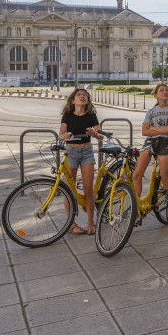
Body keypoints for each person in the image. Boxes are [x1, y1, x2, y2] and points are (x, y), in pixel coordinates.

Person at [131, 84, 168, 226]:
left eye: (167, 90)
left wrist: (154, 128)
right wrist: (162, 130)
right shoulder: (151, 111)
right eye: (161, 90)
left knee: (165, 179)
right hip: (150, 142)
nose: (165, 92)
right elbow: (144, 132)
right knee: (136, 175)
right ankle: (136, 210)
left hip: (166, 143)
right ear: (156, 96)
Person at [58, 89, 103, 235]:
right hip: (71, 152)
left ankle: (91, 222)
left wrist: (94, 134)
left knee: (88, 188)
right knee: (68, 188)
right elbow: (60, 134)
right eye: (79, 95)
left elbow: (100, 136)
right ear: (73, 100)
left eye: (85, 95)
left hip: (86, 152)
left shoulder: (91, 115)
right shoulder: (67, 115)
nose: (82, 96)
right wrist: (63, 136)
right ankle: (71, 224)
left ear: (88, 100)